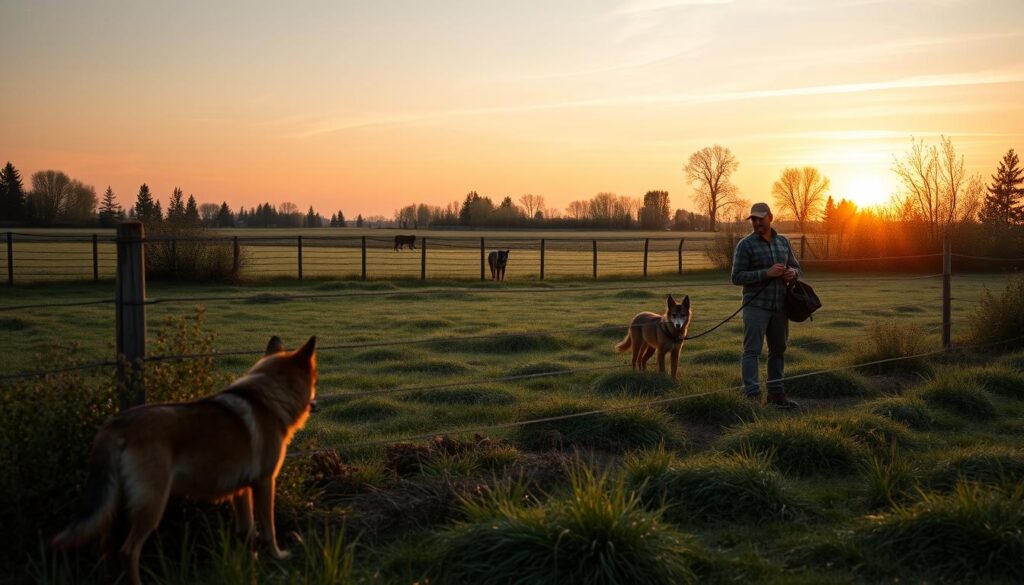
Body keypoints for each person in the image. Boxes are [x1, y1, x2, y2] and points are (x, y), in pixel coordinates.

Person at [731, 202, 801, 409]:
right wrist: (766, 273)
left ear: (770, 217)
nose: (757, 222)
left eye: (760, 218)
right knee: (752, 350)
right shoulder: (745, 245)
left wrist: (792, 274)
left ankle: (776, 395)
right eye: (753, 219)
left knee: (778, 350)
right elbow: (736, 277)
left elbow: (797, 267)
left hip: (780, 306)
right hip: (756, 306)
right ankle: (752, 396)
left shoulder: (783, 242)